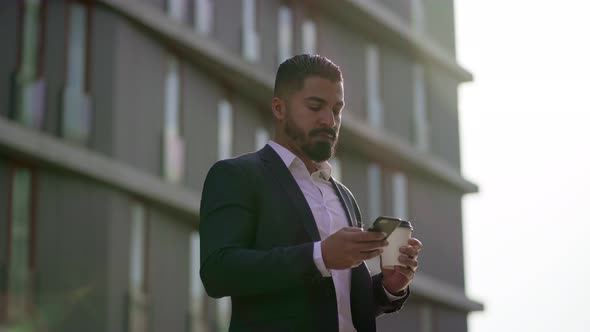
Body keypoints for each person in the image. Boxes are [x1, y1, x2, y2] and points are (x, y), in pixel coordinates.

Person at [199, 54, 423, 332]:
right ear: (279, 109)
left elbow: (340, 305)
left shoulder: (343, 195)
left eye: (337, 109)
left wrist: (390, 287)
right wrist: (320, 256)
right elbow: (218, 273)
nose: (329, 120)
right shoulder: (237, 175)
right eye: (315, 106)